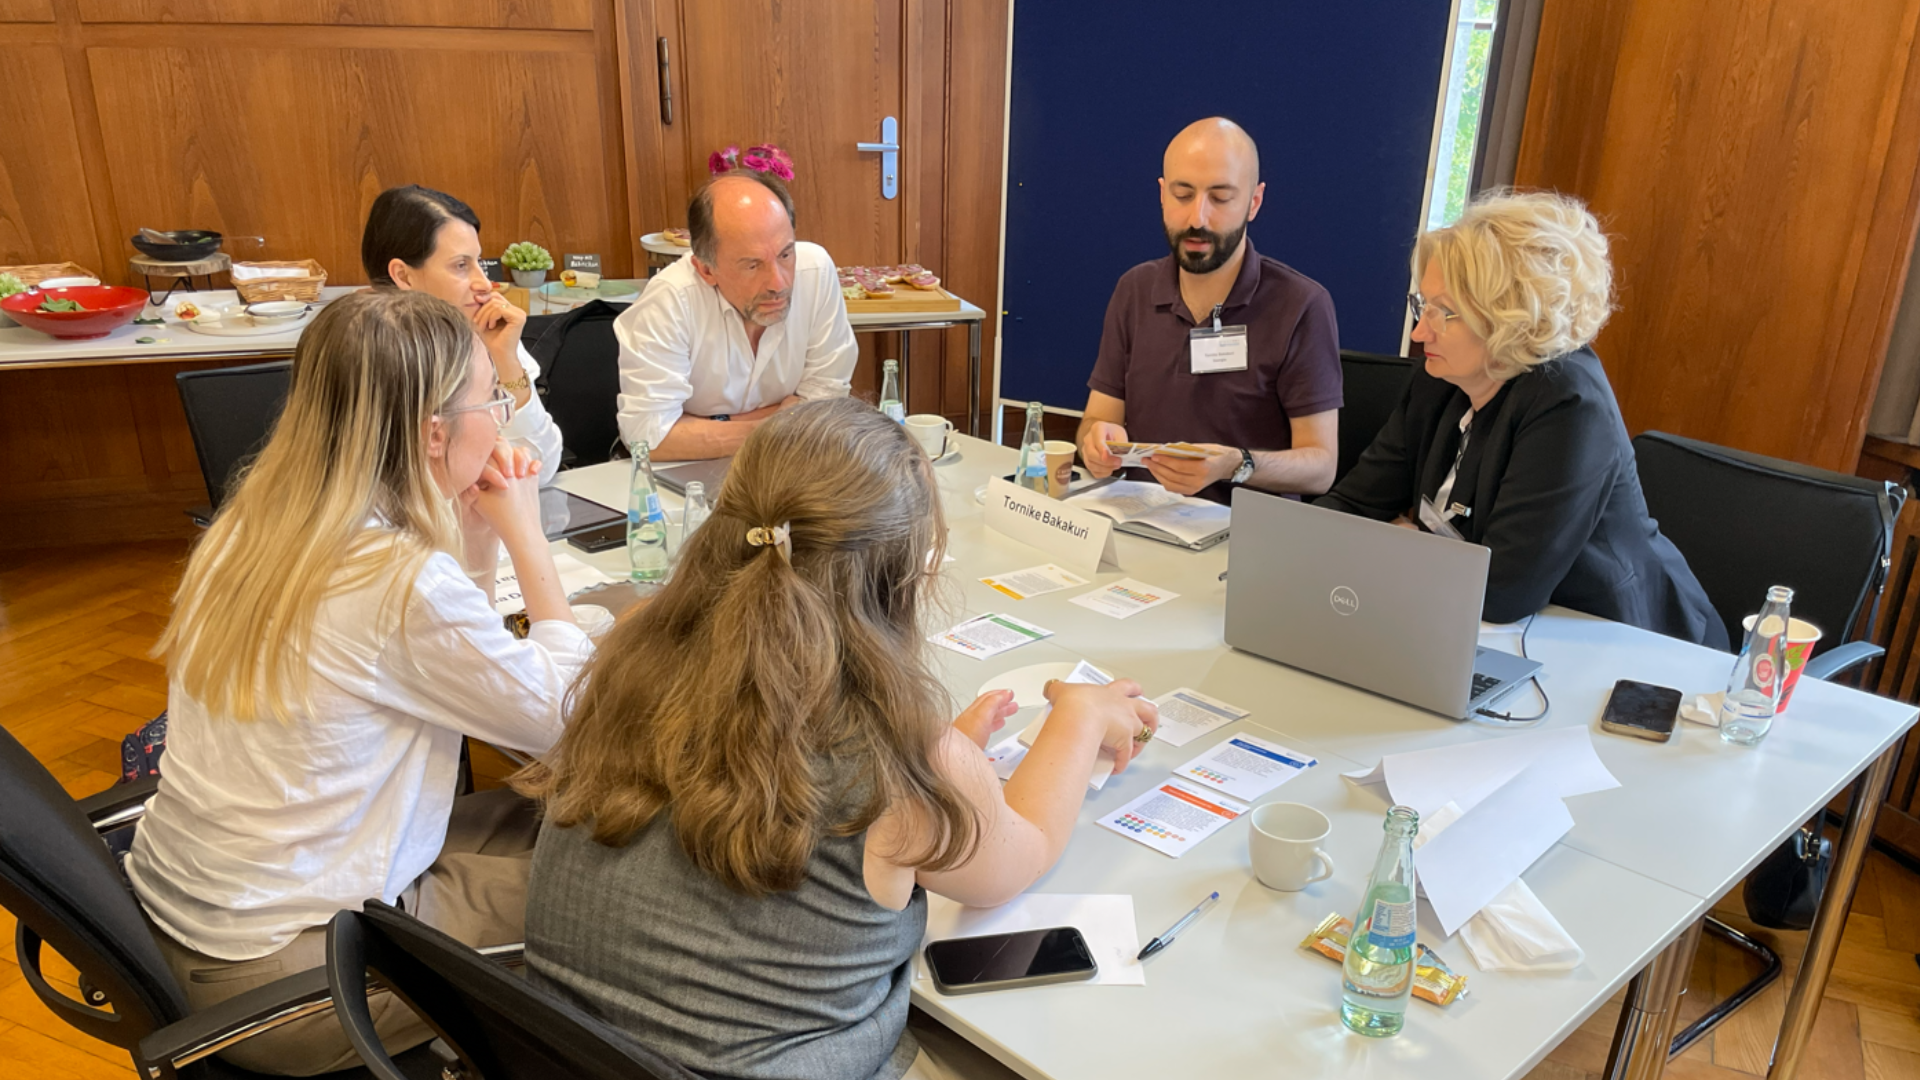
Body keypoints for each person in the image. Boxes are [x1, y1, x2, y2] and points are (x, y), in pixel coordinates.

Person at [518, 398, 1158, 1080]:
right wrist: (1079, 716)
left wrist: (950, 764)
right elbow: (1014, 863)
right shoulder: (897, 755)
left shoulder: (636, 646)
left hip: (565, 1052)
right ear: (903, 573)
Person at [125, 290, 593, 1075]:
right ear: (432, 432)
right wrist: (524, 535)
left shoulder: (259, 522)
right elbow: (565, 721)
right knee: (629, 893)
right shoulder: (391, 583)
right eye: (494, 397)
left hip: (203, 925)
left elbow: (453, 668)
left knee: (568, 816)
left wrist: (474, 531)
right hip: (298, 982)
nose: (503, 414)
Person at [1315, 191, 1726, 647]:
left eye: (1443, 312)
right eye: (1422, 305)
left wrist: (1403, 541)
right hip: (1474, 625)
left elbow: (1501, 591)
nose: (1419, 331)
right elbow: (1352, 506)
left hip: (1619, 644)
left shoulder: (1569, 403)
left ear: (1509, 317)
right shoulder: (1439, 377)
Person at [1076, 117, 1342, 501]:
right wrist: (1094, 443)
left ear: (1254, 202)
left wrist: (1237, 464)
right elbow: (1096, 419)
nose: (1197, 219)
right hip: (1142, 520)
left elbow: (1320, 468)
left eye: (1220, 198)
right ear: (1162, 194)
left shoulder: (1302, 305)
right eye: (1183, 195)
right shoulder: (1134, 289)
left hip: (1246, 538)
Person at [613, 171, 858, 460]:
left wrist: (709, 427)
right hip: (683, 474)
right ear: (706, 269)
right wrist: (779, 421)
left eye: (785, 255)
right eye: (752, 265)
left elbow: (824, 404)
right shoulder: (669, 300)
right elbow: (647, 437)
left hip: (791, 466)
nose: (778, 284)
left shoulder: (815, 271)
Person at [362, 184, 565, 485]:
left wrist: (506, 359)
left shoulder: (482, 330)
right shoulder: (363, 353)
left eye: (479, 263)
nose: (484, 283)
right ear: (403, 276)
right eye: (461, 266)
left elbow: (540, 468)